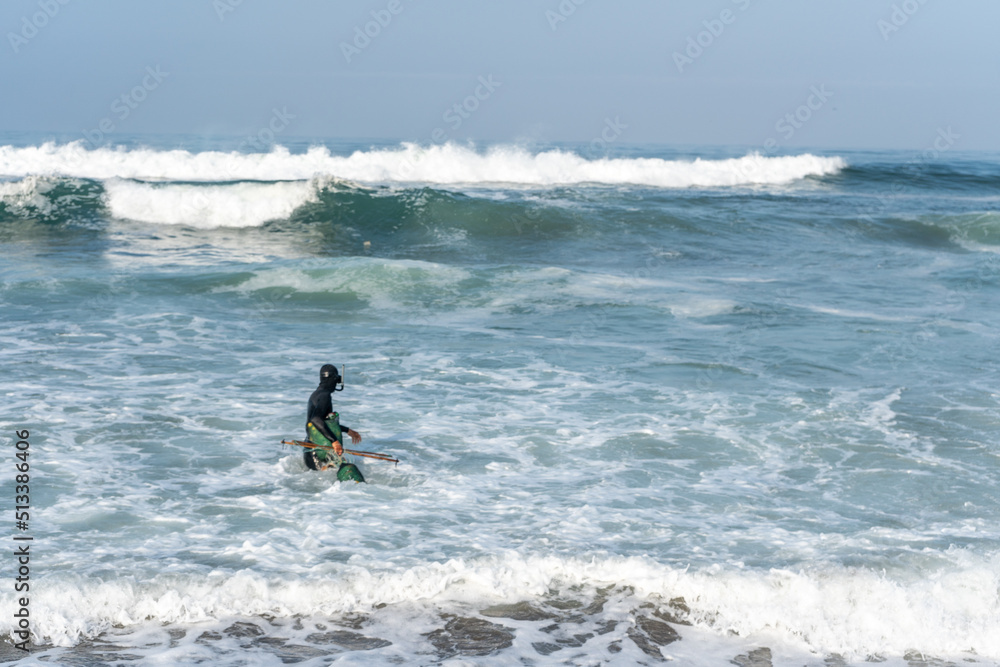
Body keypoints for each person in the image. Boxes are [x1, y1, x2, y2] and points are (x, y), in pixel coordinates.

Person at [304, 364, 363, 473]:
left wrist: (348, 431)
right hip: (316, 453)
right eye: (336, 380)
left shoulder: (317, 394)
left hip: (314, 450)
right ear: (333, 379)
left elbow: (324, 424)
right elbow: (316, 419)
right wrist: (334, 441)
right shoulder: (325, 396)